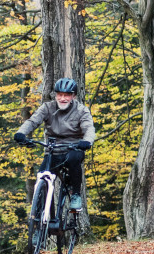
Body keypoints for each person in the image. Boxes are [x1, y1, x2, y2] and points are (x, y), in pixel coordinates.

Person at [13, 77, 95, 212]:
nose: (63, 98)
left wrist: (87, 141)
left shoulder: (81, 110)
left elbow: (89, 128)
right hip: (53, 149)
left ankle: (75, 195)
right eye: (60, 95)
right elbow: (33, 121)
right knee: (42, 176)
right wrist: (21, 133)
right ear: (56, 95)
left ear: (73, 96)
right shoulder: (47, 107)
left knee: (74, 159)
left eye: (67, 95)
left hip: (73, 147)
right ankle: (43, 218)